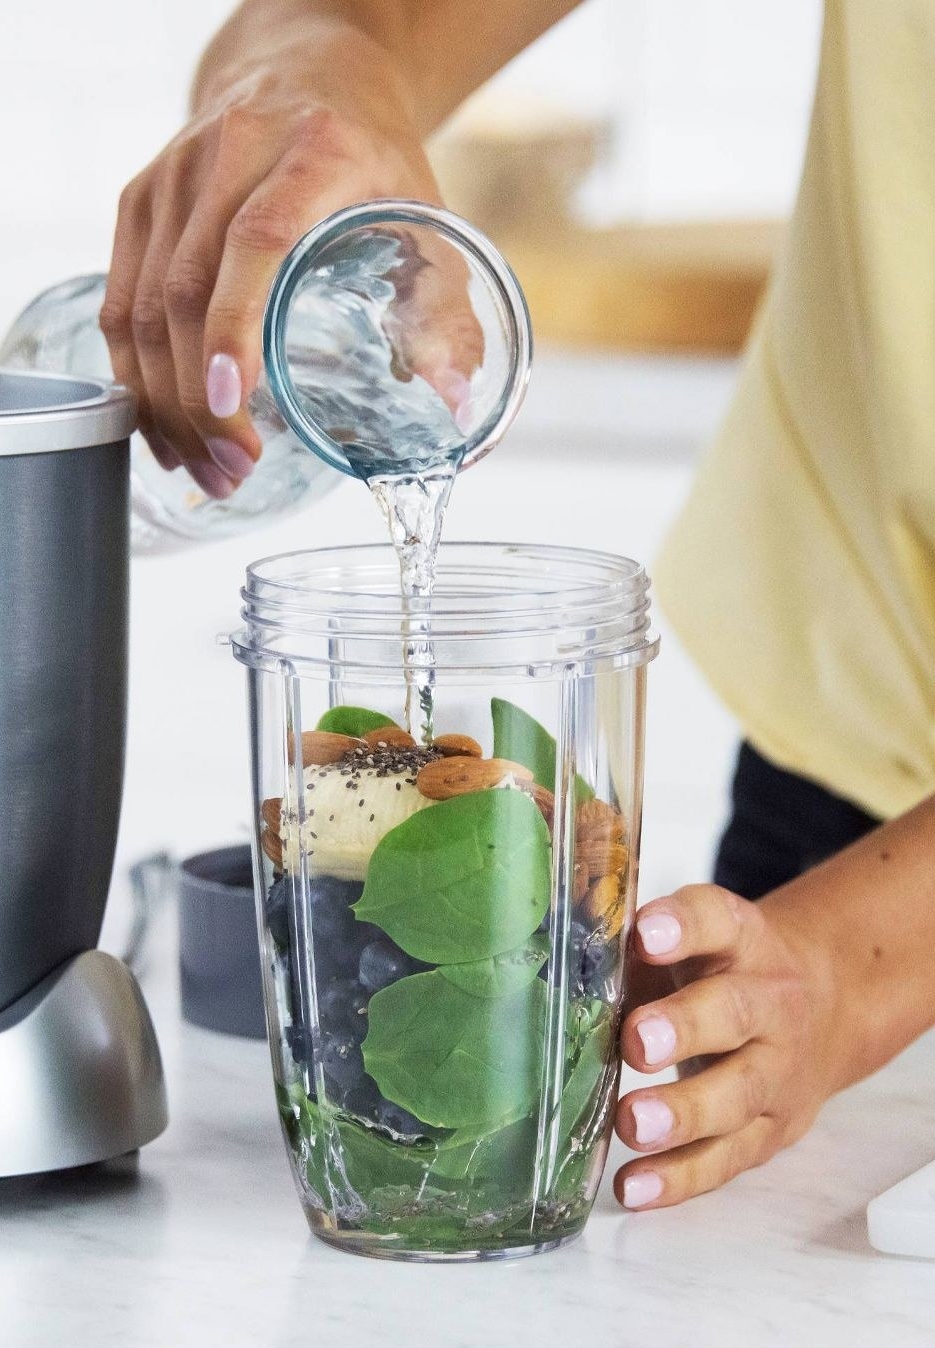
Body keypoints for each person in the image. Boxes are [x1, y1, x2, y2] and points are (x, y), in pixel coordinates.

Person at [101, 0, 935, 1211]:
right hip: (843, 771)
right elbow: (352, 21)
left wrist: (857, 968)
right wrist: (319, 79)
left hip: (859, 930)